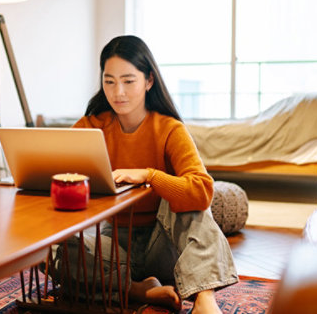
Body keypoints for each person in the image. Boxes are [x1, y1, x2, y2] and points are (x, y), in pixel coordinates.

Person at [66, 35, 238, 313]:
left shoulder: (169, 129)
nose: (118, 92)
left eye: (128, 81)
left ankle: (205, 298)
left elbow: (203, 191)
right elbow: (58, 170)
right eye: (109, 81)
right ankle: (136, 290)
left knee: (187, 199)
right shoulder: (90, 127)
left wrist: (150, 176)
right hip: (113, 245)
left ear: (148, 81)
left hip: (164, 246)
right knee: (52, 249)